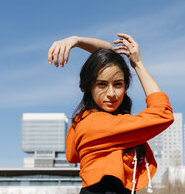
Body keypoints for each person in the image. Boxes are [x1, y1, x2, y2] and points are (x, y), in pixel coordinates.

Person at [48, 34, 174, 194]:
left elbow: (72, 156)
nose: (111, 93)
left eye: (118, 84)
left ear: (125, 87)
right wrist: (138, 64)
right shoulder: (98, 124)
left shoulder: (81, 121)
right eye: (102, 84)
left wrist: (77, 41)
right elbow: (163, 113)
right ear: (89, 87)